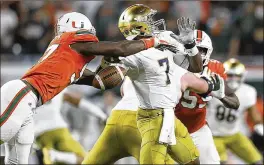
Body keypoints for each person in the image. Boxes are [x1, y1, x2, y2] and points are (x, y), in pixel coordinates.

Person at [0, 11, 171, 164]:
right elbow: (120, 48)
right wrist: (154, 41)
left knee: (17, 160)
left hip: (29, 101)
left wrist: (114, 66)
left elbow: (98, 81)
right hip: (23, 95)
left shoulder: (66, 59)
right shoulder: (71, 40)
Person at [84, 4, 223, 165]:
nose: (154, 22)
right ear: (138, 26)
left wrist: (190, 45)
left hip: (162, 114)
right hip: (149, 115)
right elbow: (110, 66)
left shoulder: (166, 37)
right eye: (148, 20)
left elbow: (196, 67)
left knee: (193, 160)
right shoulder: (131, 53)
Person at [175, 30, 240, 164]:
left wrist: (221, 97)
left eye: (201, 50)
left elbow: (235, 102)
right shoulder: (173, 64)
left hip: (197, 129)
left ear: (209, 51)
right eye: (193, 48)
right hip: (170, 129)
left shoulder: (215, 68)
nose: (197, 54)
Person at [207, 58, 263, 164]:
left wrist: (259, 124)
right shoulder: (213, 87)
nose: (233, 79)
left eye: (237, 76)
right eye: (230, 75)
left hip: (234, 134)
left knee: (257, 161)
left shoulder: (248, 92)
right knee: (220, 162)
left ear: (242, 76)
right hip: (214, 135)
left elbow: (254, 114)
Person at [34, 86, 107, 164]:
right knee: (83, 159)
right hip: (58, 129)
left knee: (51, 159)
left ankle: (53, 155)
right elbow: (82, 103)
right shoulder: (56, 88)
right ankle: (54, 155)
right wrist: (103, 116)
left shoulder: (29, 94)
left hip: (40, 136)